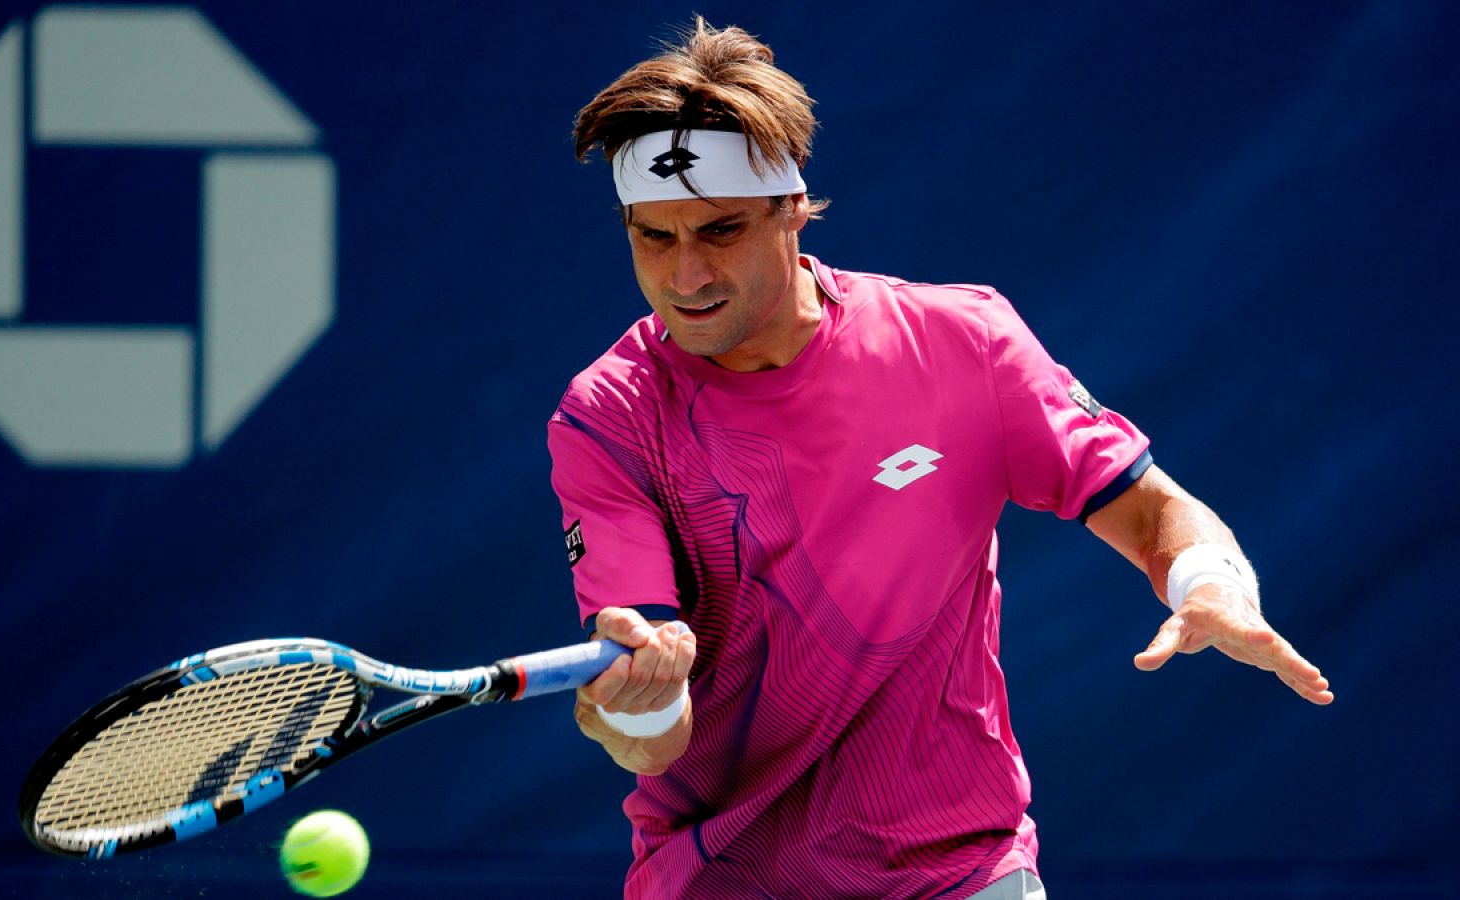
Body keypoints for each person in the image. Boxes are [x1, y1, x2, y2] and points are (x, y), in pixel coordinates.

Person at [548, 18, 1333, 900]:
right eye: (655, 237)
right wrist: (639, 702)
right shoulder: (608, 414)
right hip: (722, 880)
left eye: (721, 231)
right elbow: (656, 738)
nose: (686, 275)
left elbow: (1152, 511)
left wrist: (1208, 581)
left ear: (794, 210)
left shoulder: (963, 343)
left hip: (960, 874)